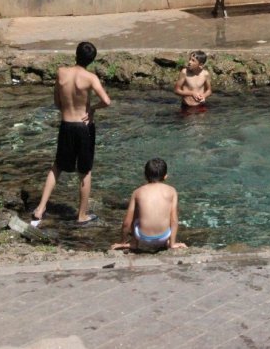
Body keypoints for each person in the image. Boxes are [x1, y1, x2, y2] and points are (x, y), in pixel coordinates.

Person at [31, 41, 111, 227]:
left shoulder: (61, 72)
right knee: (84, 172)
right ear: (91, 60)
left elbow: (57, 101)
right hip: (84, 127)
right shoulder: (91, 78)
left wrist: (66, 109)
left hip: (66, 124)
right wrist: (92, 110)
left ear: (76, 54)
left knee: (57, 166)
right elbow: (107, 101)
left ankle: (40, 208)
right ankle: (81, 215)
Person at [111, 158, 187, 252]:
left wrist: (122, 242)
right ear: (165, 176)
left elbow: (127, 222)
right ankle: (168, 243)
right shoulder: (172, 191)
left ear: (145, 176)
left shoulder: (137, 192)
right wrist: (173, 243)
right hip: (164, 237)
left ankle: (134, 243)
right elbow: (174, 220)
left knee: (136, 214)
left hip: (143, 238)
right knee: (168, 215)